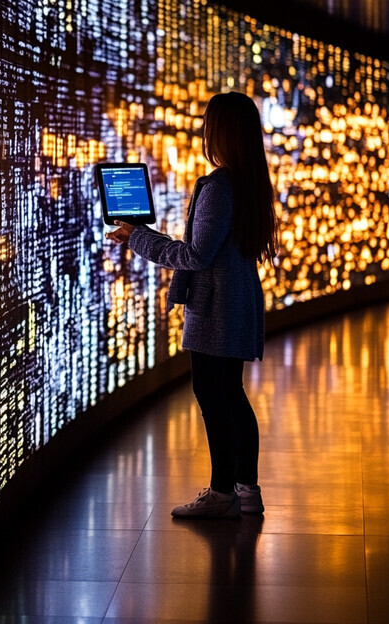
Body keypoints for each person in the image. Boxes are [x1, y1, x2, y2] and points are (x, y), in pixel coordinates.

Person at [106, 91, 279, 518]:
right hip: (237, 298)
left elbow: (195, 255)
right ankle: (246, 491)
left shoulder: (219, 186)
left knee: (213, 395)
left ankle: (222, 494)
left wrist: (138, 238)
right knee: (231, 394)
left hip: (216, 305)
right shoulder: (249, 181)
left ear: (220, 132)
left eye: (208, 124)